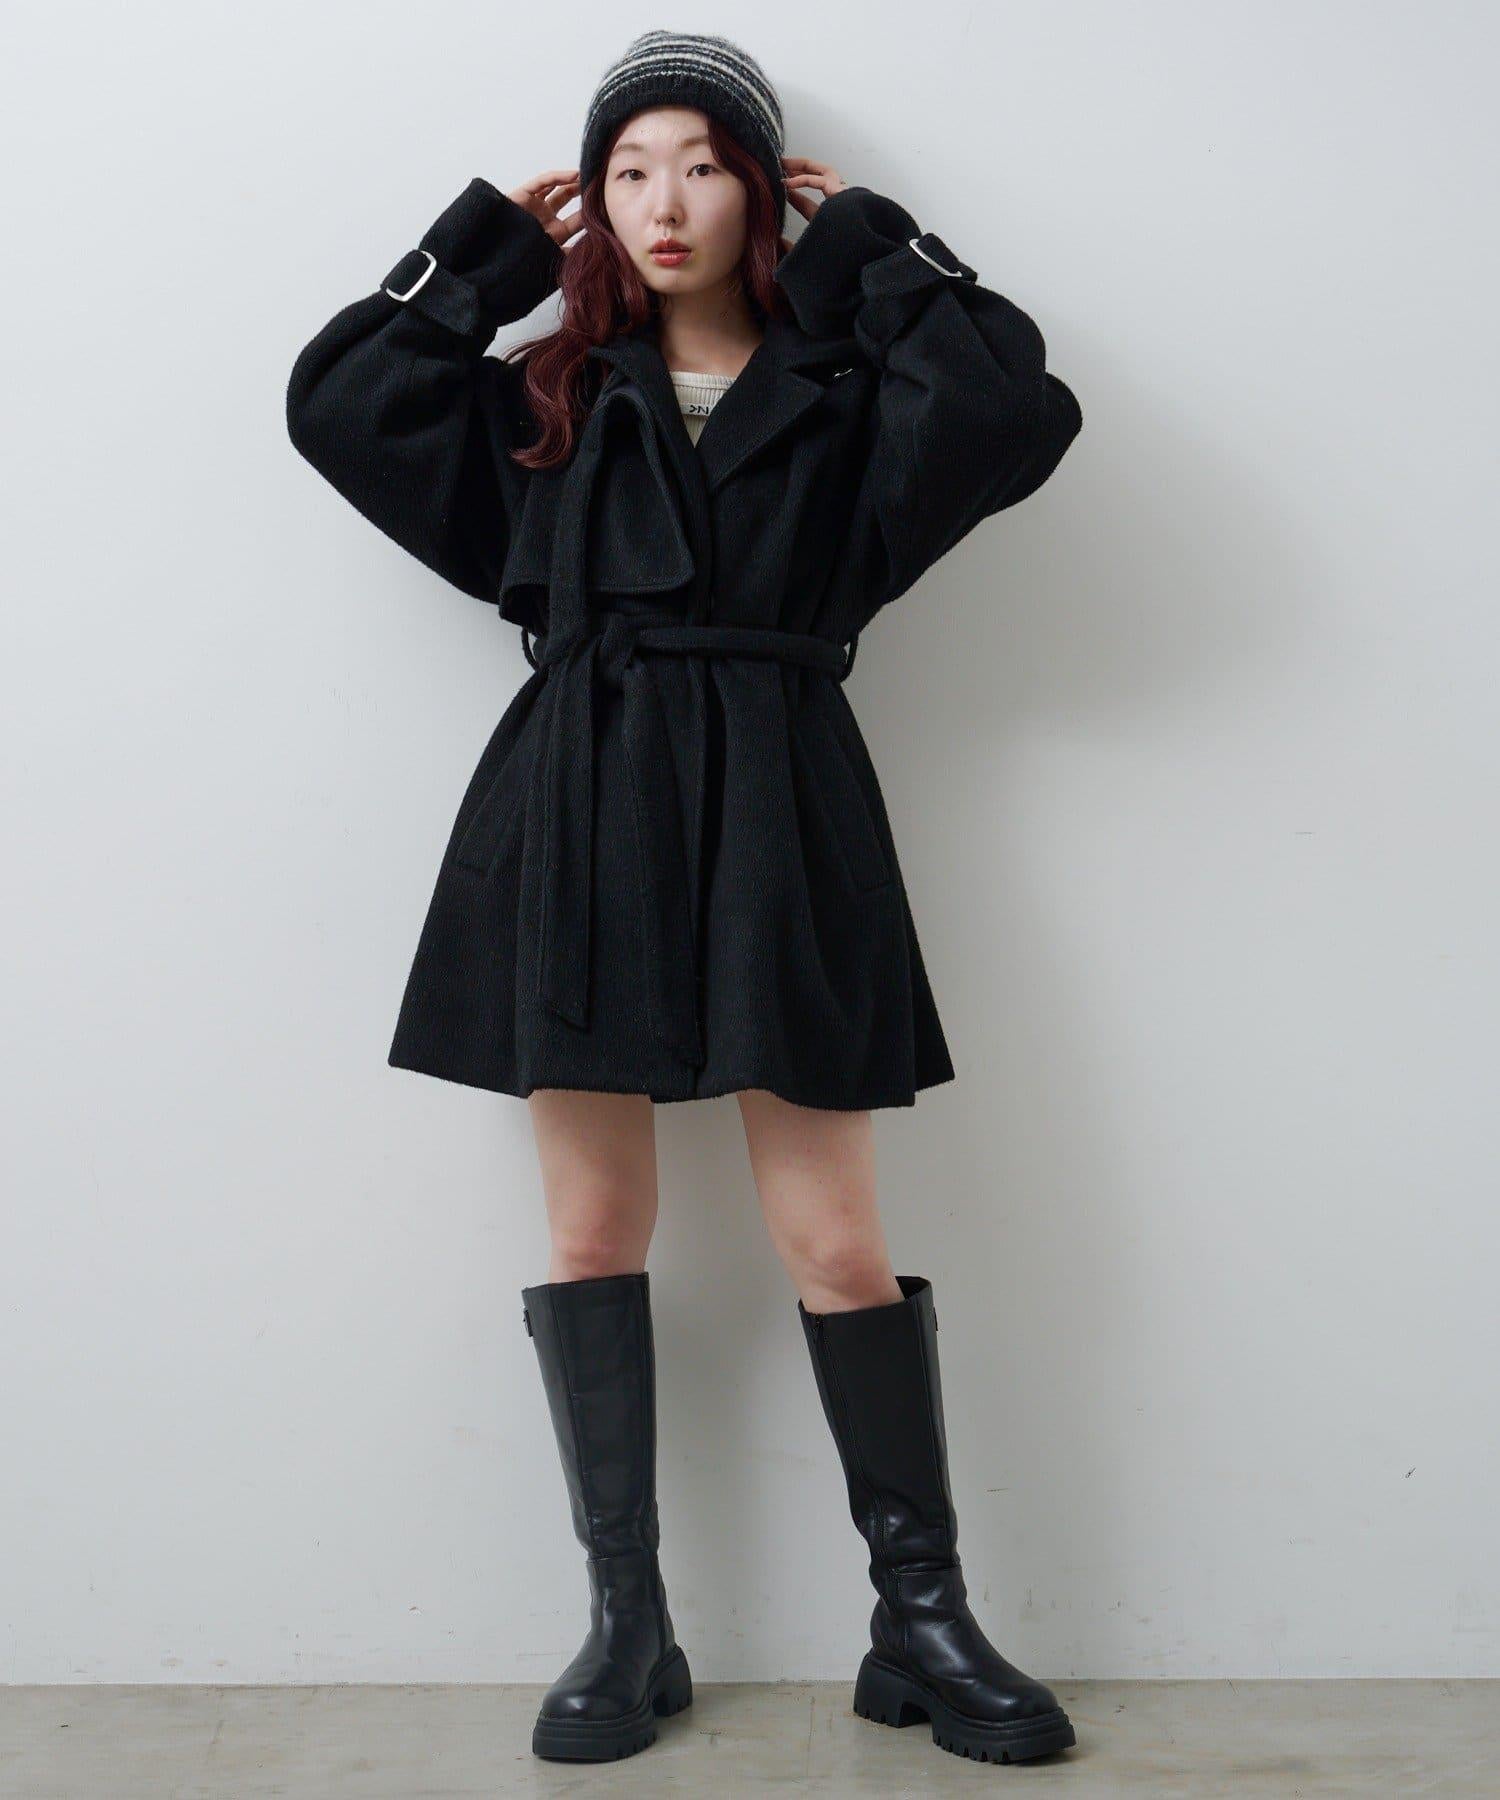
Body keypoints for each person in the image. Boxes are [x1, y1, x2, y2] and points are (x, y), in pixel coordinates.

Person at [287, 27, 1082, 1769]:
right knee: (593, 1234)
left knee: (835, 1241)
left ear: (763, 193)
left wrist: (886, 257)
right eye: (629, 169)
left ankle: (921, 1619)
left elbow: (1016, 414)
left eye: (705, 165)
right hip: (582, 803)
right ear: (592, 201)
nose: (664, 202)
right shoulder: (544, 399)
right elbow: (338, 405)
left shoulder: (851, 394)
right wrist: (472, 258)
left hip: (786, 805)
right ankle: (626, 1624)